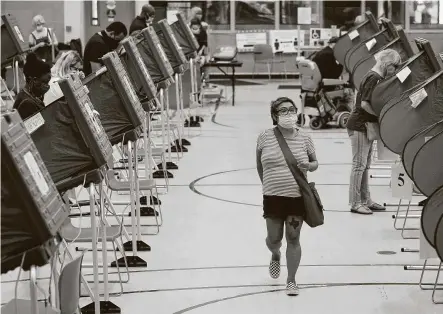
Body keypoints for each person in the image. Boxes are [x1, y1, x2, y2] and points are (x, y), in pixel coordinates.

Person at [256, 97, 318, 296]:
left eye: (292, 110)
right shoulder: (265, 137)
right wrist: (268, 185)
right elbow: (259, 165)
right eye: (283, 111)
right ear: (275, 115)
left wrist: (309, 166)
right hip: (273, 196)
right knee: (274, 239)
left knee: (293, 237)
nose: (289, 114)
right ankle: (275, 254)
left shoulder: (305, 138)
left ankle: (291, 280)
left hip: (296, 197)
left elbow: (315, 162)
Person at [346, 49, 401, 215]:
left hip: (365, 125)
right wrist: (382, 117)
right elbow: (364, 104)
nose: (395, 70)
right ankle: (356, 203)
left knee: (365, 166)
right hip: (360, 125)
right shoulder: (374, 77)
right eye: (394, 66)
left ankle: (366, 200)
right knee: (359, 165)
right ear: (386, 64)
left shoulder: (374, 76)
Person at [13, 53, 51, 119]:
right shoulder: (27, 103)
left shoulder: (31, 95)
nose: (47, 86)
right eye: (45, 82)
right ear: (35, 80)